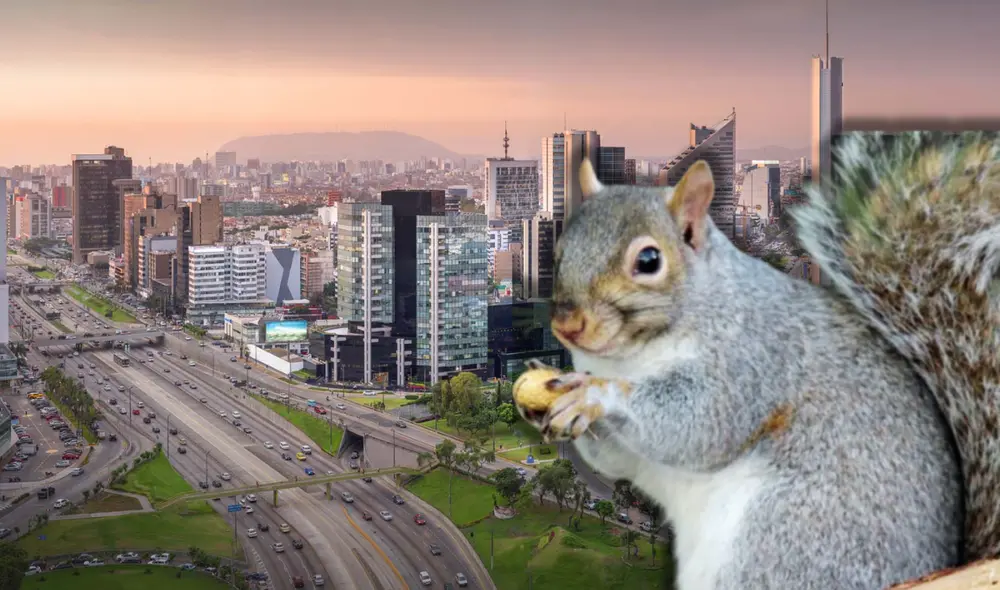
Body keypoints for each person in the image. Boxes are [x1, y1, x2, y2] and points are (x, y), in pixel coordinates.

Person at [513, 134, 1000, 590]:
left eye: (645, 265)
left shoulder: (732, 320)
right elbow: (628, 462)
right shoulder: (633, 346)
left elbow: (704, 439)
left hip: (835, 509)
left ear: (690, 228)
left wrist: (611, 398)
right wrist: (581, 418)